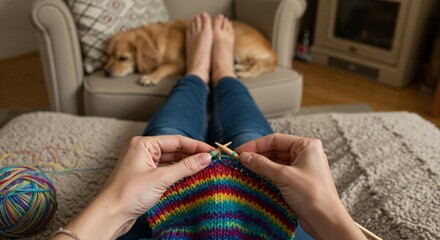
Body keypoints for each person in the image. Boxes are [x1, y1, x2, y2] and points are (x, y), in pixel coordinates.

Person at [52, 13, 366, 240]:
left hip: (153, 218)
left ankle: (198, 73)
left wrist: (114, 208)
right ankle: (221, 72)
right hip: (266, 213)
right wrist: (328, 216)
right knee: (252, 142)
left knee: (164, 141)